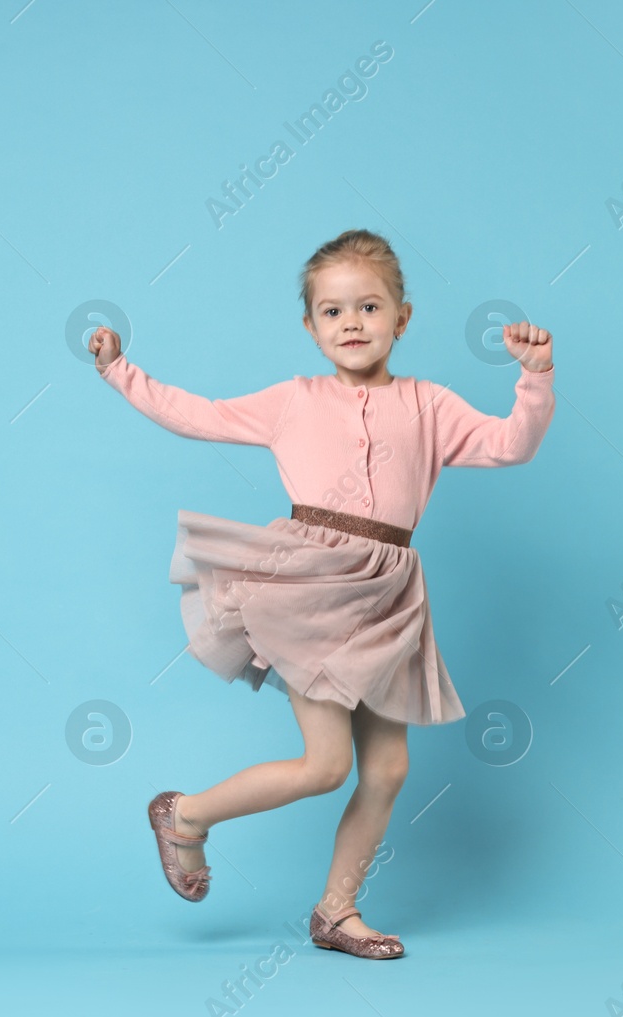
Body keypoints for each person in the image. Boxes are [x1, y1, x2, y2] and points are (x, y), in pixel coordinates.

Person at [92, 228, 555, 959]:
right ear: (310, 327)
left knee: (391, 767)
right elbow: (199, 413)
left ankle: (336, 912)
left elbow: (510, 444)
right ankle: (184, 815)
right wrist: (123, 372)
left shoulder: (429, 404)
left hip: (391, 592)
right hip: (312, 585)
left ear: (402, 318)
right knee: (325, 764)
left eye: (369, 307)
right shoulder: (293, 401)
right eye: (333, 312)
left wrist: (534, 379)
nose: (352, 324)